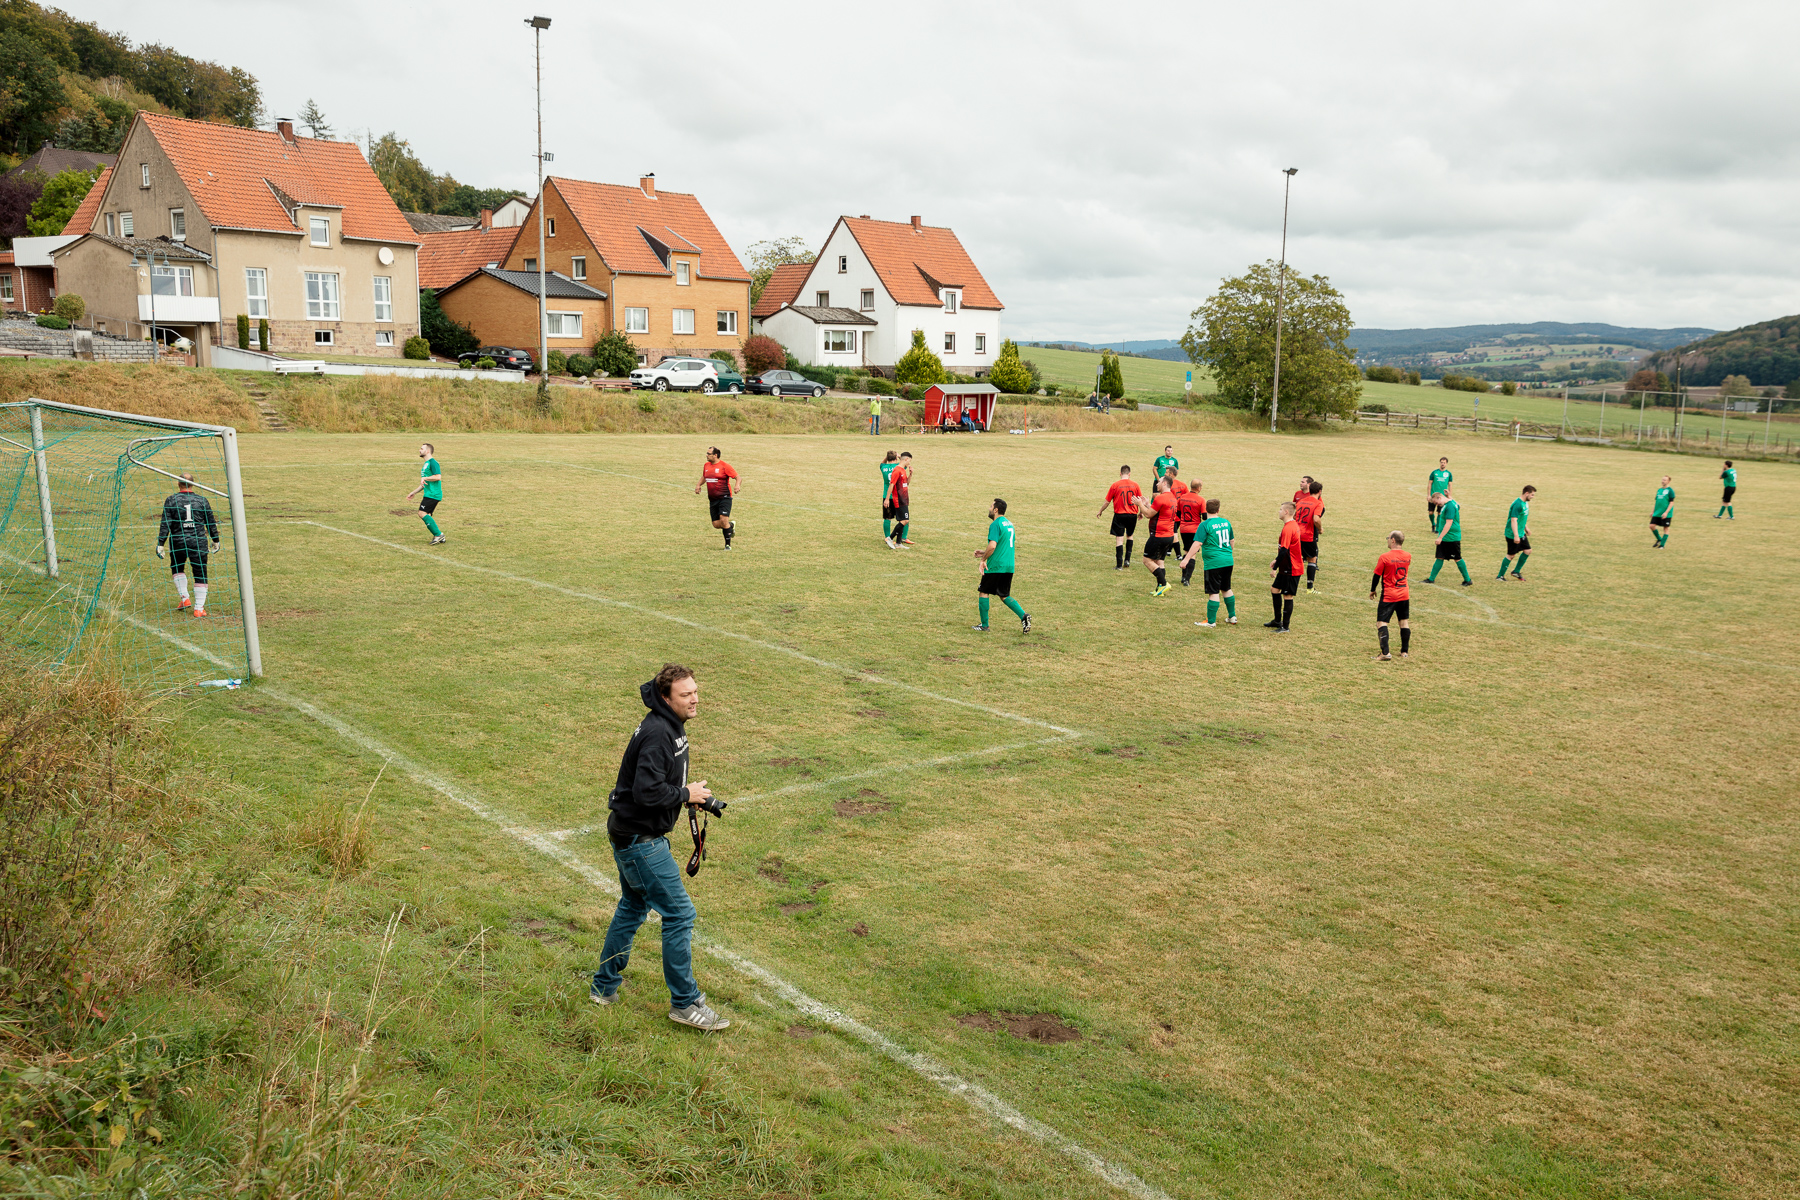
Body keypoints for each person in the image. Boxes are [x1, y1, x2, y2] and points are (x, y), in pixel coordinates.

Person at [590, 664, 730, 1032]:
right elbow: (645, 792)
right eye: (686, 694)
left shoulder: (669, 726)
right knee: (680, 915)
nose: (695, 699)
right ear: (666, 698)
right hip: (641, 842)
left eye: (696, 691)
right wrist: (685, 793)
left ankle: (603, 988)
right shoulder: (657, 733)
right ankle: (684, 1003)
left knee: (633, 907)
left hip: (633, 835)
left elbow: (655, 785)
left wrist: (690, 796)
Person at [156, 472, 220, 616]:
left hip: (178, 541)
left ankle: (185, 598)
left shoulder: (171, 500)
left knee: (177, 568)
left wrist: (161, 543)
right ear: (193, 484)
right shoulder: (202, 500)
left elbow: (165, 523)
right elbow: (211, 523)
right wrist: (215, 540)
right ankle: (198, 608)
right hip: (198, 542)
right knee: (200, 572)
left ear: (178, 484)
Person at [973, 498, 1030, 632]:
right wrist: (983, 553)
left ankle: (984, 625)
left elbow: (993, 546)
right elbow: (1002, 546)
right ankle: (1024, 616)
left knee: (984, 591)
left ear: (996, 509)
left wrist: (983, 561)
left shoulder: (995, 524)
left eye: (991, 506)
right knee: (1004, 594)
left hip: (996, 565)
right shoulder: (1009, 524)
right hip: (1009, 565)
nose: (989, 508)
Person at [1186, 498, 1236, 627]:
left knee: (1213, 591)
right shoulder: (1226, 522)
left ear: (1205, 510)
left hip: (1213, 563)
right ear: (1218, 510)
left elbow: (1197, 543)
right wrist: (1227, 553)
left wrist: (1186, 559)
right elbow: (1232, 541)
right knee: (1226, 588)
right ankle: (1232, 616)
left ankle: (1211, 621)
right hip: (1228, 560)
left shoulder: (1204, 525)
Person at [1370, 530, 1412, 661]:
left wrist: (1372, 590)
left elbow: (1377, 575)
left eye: (1388, 538)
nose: (1387, 540)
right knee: (1403, 622)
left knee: (1381, 623)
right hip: (1404, 594)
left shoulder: (1385, 557)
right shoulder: (1408, 556)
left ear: (1393, 540)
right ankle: (1404, 652)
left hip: (1389, 595)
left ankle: (1385, 653)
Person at [1135, 477, 1180, 597]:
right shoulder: (1172, 497)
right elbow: (1159, 511)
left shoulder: (1160, 497)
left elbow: (1148, 514)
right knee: (1160, 562)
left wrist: (1140, 504)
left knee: (1147, 560)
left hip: (1158, 535)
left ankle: (1164, 584)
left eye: (1159, 482)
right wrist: (1148, 504)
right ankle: (1159, 589)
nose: (1157, 484)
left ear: (1165, 483)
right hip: (1169, 535)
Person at [1095, 465, 1143, 569]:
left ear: (1120, 473)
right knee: (1130, 536)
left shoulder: (1115, 485)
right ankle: (1127, 560)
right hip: (1132, 515)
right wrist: (1141, 512)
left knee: (1119, 539)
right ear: (1129, 474)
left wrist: (1100, 510)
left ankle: (1119, 565)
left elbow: (1107, 502)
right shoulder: (1135, 485)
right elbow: (1140, 500)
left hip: (1119, 515)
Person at [1266, 500, 1303, 631]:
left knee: (1288, 595)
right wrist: (1277, 560)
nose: (1279, 511)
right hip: (1286, 566)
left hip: (1291, 568)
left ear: (1286, 512)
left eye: (1281, 509)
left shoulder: (1289, 528)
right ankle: (1277, 621)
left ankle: (1285, 627)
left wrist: (1274, 568)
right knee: (1274, 589)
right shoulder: (1291, 525)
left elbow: (1284, 550)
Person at [695, 447, 739, 548]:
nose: (706, 455)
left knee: (723, 520)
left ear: (715, 455)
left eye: (708, 453)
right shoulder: (706, 465)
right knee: (716, 524)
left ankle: (727, 546)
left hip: (725, 497)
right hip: (712, 499)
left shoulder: (724, 466)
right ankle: (730, 525)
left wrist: (737, 485)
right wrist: (698, 485)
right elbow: (705, 476)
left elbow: (738, 477)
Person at [1425, 491, 1472, 586]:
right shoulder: (1450, 503)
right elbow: (1458, 506)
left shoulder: (1449, 506)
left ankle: (1467, 580)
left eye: (1436, 502)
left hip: (1451, 538)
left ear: (1439, 497)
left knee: (1457, 558)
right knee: (1440, 557)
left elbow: (1449, 523)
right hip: (1446, 537)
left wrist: (1440, 537)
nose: (1436, 505)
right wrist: (1449, 496)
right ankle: (1431, 579)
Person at [407, 442, 445, 545]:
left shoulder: (433, 463)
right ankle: (438, 535)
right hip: (429, 493)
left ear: (427, 451)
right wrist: (414, 492)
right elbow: (425, 482)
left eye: (421, 449)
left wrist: (425, 477)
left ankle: (439, 535)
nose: (419, 450)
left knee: (421, 513)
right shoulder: (426, 464)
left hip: (433, 494)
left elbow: (438, 477)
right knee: (427, 514)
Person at [1498, 485, 1536, 580]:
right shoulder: (1517, 504)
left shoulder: (1525, 503)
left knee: (1527, 551)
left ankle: (1516, 571)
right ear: (1526, 493)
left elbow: (1522, 518)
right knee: (1511, 555)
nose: (1533, 497)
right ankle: (1500, 576)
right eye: (1532, 495)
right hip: (1512, 534)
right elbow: (1513, 520)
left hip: (1520, 532)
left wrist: (1526, 528)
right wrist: (1515, 536)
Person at [1294, 479, 1325, 590]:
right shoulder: (1318, 503)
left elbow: (1294, 517)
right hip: (1308, 535)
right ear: (1319, 492)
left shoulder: (1301, 501)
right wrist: (1320, 529)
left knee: (1296, 559)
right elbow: (1316, 519)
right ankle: (1310, 588)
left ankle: (1292, 584)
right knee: (1312, 559)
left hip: (1296, 533)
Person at [1175, 479, 1206, 586]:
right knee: (1192, 554)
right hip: (1195, 530)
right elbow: (1205, 517)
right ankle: (1187, 579)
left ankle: (1183, 577)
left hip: (1183, 529)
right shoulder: (1201, 500)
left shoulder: (1182, 498)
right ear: (1198, 488)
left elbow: (1178, 514)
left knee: (1186, 551)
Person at [884, 452, 913, 549]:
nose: (909, 462)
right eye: (909, 460)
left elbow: (906, 484)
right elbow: (891, 485)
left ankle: (898, 543)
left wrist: (911, 474)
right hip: (899, 499)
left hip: (904, 499)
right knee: (905, 520)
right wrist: (887, 499)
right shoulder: (897, 470)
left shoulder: (903, 470)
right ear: (906, 459)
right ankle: (890, 538)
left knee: (902, 520)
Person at [1428, 457, 1453, 530]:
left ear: (1446, 464)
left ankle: (1437, 528)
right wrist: (1429, 495)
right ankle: (1433, 524)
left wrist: (1449, 496)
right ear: (1440, 463)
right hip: (1433, 496)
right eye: (1441, 462)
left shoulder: (1448, 474)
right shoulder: (1434, 472)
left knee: (1439, 513)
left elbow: (1450, 485)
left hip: (1442, 498)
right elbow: (1429, 484)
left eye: (1444, 462)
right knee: (1430, 513)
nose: (1442, 464)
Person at [880, 450, 900, 541]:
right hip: (898, 495)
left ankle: (887, 537)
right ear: (896, 458)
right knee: (903, 518)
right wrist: (899, 456)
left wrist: (886, 457)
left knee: (887, 518)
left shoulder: (883, 467)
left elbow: (882, 463)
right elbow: (905, 464)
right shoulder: (898, 467)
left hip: (886, 496)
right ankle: (904, 537)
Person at [1651, 476, 1676, 547]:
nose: (1663, 481)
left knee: (1665, 528)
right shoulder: (1659, 490)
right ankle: (1659, 539)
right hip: (1657, 512)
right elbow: (1657, 502)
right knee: (1651, 526)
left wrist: (1666, 512)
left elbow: (1671, 502)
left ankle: (1662, 545)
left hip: (1666, 514)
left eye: (1665, 480)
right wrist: (1652, 511)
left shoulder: (1670, 490)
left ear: (1668, 481)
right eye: (1662, 480)